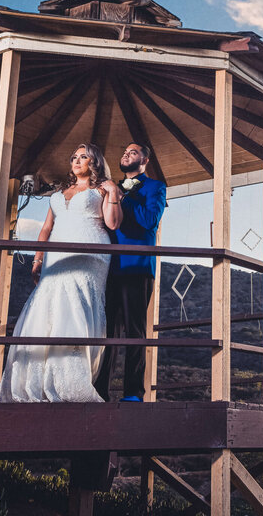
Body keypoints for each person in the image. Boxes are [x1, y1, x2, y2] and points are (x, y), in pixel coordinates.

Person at [0, 143, 121, 403]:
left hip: (90, 250)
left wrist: (114, 191)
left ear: (93, 161)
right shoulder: (61, 191)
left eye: (83, 157)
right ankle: (34, 377)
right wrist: (38, 258)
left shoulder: (102, 188)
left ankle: (72, 377)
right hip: (56, 252)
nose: (77, 160)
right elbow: (46, 228)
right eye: (74, 157)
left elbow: (113, 223)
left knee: (76, 302)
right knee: (47, 303)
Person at [95, 143, 166, 402]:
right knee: (106, 331)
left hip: (137, 266)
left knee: (135, 332)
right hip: (108, 268)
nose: (126, 153)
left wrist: (122, 197)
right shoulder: (109, 187)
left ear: (145, 159)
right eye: (124, 151)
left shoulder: (156, 187)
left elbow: (150, 221)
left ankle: (133, 392)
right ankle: (99, 389)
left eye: (133, 152)